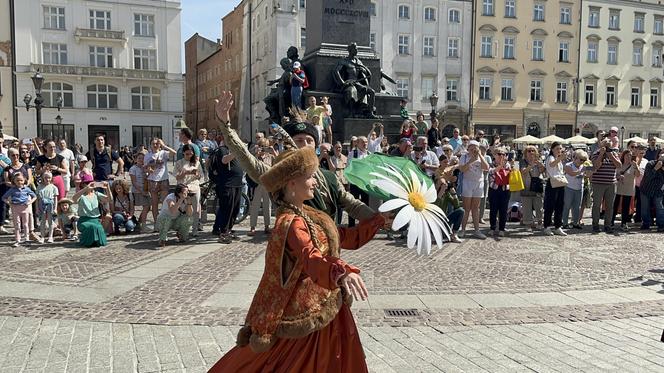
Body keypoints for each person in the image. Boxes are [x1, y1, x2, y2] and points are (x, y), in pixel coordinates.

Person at [208, 147, 384, 372]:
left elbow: (341, 238)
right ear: (291, 183)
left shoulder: (310, 215)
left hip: (326, 305)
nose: (315, 182)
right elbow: (311, 258)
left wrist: (378, 221)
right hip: (305, 314)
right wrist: (341, 271)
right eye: (310, 177)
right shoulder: (291, 223)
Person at [214, 91, 375, 227]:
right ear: (289, 145)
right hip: (293, 254)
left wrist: (379, 219)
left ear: (316, 146)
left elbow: (353, 205)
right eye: (299, 140)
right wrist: (226, 125)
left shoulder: (329, 178)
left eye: (309, 140)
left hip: (325, 254)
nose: (304, 144)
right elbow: (248, 160)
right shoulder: (281, 175)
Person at [209, 133, 244, 244]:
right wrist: (236, 152)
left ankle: (228, 229)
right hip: (227, 184)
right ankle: (223, 232)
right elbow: (224, 160)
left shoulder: (234, 150)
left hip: (237, 183)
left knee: (235, 209)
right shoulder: (223, 149)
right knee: (227, 209)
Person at [459, 140, 489, 239]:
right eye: (471, 148)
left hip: (478, 183)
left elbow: (486, 168)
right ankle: (463, 229)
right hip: (468, 183)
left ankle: (477, 230)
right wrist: (471, 160)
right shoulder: (464, 157)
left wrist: (480, 155)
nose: (473, 150)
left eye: (475, 148)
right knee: (467, 208)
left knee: (475, 208)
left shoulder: (481, 157)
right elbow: (462, 169)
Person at [72, 173, 112, 247]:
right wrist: (85, 189)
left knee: (99, 228)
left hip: (95, 220)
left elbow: (109, 199)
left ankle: (94, 241)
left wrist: (108, 188)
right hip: (84, 220)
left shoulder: (96, 194)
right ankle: (86, 241)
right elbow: (74, 199)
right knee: (92, 227)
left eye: (91, 182)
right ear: (83, 184)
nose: (90, 184)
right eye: (87, 183)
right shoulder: (81, 195)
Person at [591, 136, 621, 234]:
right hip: (598, 183)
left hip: (611, 184)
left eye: (609, 146)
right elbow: (596, 166)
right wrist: (602, 154)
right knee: (596, 205)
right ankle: (595, 224)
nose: (608, 148)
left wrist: (611, 155)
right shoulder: (596, 153)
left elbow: (619, 166)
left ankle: (607, 225)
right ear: (602, 146)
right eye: (606, 146)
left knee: (609, 206)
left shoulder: (614, 154)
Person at [145, 138, 176, 230]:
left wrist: (164, 145)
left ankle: (165, 222)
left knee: (165, 202)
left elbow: (174, 152)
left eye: (157, 144)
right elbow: (145, 168)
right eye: (153, 144)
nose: (155, 145)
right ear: (150, 145)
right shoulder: (148, 155)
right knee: (154, 203)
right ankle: (156, 223)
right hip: (153, 180)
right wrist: (149, 170)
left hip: (163, 179)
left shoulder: (163, 153)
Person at [248, 138, 275, 236]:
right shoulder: (256, 157)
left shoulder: (271, 157)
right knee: (255, 205)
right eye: (261, 146)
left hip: (267, 183)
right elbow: (251, 165)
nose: (263, 148)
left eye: (265, 146)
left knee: (267, 205)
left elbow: (280, 163)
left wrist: (273, 151)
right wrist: (256, 154)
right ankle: (252, 227)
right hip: (258, 183)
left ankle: (267, 226)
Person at [174, 144, 203, 235]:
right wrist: (186, 172)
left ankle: (195, 229)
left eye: (191, 154)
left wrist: (197, 174)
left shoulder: (197, 163)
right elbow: (177, 176)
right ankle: (183, 229)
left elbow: (200, 176)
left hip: (194, 186)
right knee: (183, 209)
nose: (189, 156)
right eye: (187, 154)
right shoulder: (179, 163)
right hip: (183, 187)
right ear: (183, 153)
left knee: (196, 209)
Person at [2, 173, 37, 247]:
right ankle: (18, 240)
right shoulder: (12, 189)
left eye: (21, 180)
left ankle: (26, 239)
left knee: (25, 224)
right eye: (17, 180)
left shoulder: (27, 189)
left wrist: (29, 202)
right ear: (14, 181)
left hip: (25, 208)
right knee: (17, 225)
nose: (19, 182)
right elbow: (4, 197)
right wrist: (9, 203)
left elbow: (34, 196)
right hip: (15, 208)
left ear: (24, 180)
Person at [612, 142, 640, 230]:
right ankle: (611, 221)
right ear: (623, 156)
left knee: (626, 206)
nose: (628, 157)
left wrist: (636, 167)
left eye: (630, 156)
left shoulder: (633, 165)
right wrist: (618, 176)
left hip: (629, 188)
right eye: (627, 155)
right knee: (615, 205)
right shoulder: (619, 165)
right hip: (618, 187)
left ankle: (624, 223)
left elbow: (637, 175)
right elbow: (614, 175)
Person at [543, 142, 568, 236]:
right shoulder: (550, 157)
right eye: (557, 148)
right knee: (550, 206)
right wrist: (560, 158)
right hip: (552, 183)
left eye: (560, 149)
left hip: (560, 183)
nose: (559, 150)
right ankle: (547, 226)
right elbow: (551, 165)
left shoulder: (559, 159)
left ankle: (558, 226)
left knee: (559, 205)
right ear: (552, 149)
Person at [562, 150, 589, 230]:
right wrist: (581, 172)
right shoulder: (568, 165)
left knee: (577, 207)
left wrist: (589, 172)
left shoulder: (583, 166)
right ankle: (565, 223)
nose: (582, 162)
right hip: (569, 188)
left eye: (584, 160)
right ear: (575, 158)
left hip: (579, 188)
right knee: (567, 206)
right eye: (581, 159)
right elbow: (571, 173)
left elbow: (588, 174)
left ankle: (575, 222)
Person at [347, 136, 370, 227]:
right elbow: (348, 168)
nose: (365, 144)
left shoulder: (369, 154)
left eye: (366, 142)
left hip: (365, 184)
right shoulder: (353, 153)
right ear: (358, 143)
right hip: (355, 183)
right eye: (363, 142)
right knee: (353, 204)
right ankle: (351, 225)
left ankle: (364, 224)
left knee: (365, 205)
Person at [487, 148, 511, 236]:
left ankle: (502, 228)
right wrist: (500, 166)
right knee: (493, 209)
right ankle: (492, 228)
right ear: (494, 155)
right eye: (499, 154)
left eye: (503, 154)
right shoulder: (491, 164)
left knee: (503, 210)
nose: (501, 156)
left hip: (505, 189)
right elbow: (492, 172)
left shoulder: (507, 164)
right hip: (494, 189)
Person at [639, 151, 664, 231]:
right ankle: (646, 224)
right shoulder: (650, 164)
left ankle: (661, 225)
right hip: (646, 188)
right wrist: (656, 168)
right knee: (645, 208)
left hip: (658, 190)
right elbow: (648, 177)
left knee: (660, 208)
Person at [129, 151, 150, 231]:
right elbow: (133, 182)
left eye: (143, 158)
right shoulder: (133, 169)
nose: (141, 160)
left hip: (145, 190)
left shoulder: (146, 168)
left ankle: (139, 223)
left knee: (148, 207)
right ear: (135, 159)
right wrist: (141, 191)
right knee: (146, 206)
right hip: (137, 191)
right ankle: (143, 226)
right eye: (139, 158)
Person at [329, 141, 349, 224]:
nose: (338, 149)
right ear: (333, 148)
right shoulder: (330, 158)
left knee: (340, 205)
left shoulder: (345, 159)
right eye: (336, 147)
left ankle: (339, 223)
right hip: (332, 183)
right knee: (332, 204)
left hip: (343, 184)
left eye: (339, 147)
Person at [37, 171, 59, 243]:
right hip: (42, 205)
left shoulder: (54, 187)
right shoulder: (39, 187)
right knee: (42, 222)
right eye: (46, 178)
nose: (47, 179)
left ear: (51, 178)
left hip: (50, 205)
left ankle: (50, 236)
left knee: (50, 221)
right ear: (43, 178)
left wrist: (55, 208)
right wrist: (37, 209)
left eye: (49, 178)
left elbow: (55, 199)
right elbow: (38, 199)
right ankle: (42, 237)